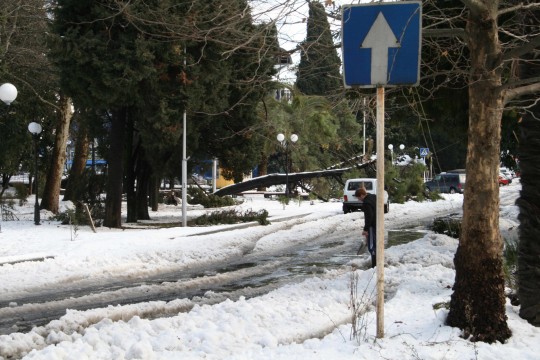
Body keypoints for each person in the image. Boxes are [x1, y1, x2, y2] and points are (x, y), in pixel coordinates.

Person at [355, 187, 377, 268]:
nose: (358, 199)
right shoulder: (374, 196)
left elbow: (369, 216)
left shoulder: (366, 203)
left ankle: (375, 265)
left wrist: (366, 229)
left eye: (358, 197)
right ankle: (376, 264)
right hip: (378, 223)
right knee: (376, 243)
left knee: (372, 246)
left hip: (372, 225)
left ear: (361, 195)